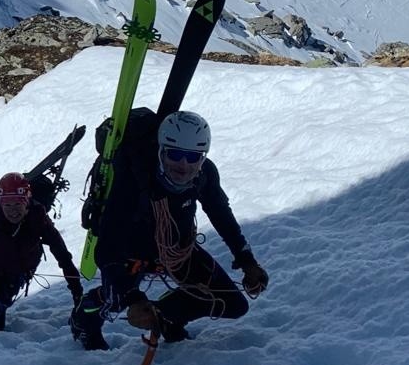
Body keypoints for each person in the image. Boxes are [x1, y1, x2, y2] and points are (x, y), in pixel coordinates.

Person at [76, 110, 268, 350]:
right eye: (175, 154)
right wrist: (134, 298)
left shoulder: (205, 174)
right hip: (130, 252)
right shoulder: (135, 177)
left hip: (178, 249)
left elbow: (222, 216)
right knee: (115, 299)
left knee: (233, 304)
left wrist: (246, 259)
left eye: (193, 156)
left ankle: (166, 316)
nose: (184, 165)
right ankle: (85, 318)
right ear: (161, 151)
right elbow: (108, 245)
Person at [0, 172, 82, 332]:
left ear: (27, 203)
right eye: (8, 206)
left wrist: (77, 292)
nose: (13, 211)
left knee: (2, 302)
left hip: (22, 268)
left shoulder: (38, 218)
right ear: (1, 204)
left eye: (18, 204)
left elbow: (62, 254)